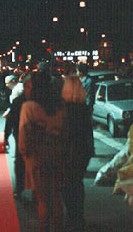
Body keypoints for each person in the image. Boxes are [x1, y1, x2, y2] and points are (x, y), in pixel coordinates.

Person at [18, 72, 65, 232]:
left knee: (42, 199)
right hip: (57, 153)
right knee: (57, 197)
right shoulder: (59, 105)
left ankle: (44, 228)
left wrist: (24, 154)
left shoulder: (29, 107)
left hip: (37, 156)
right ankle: (58, 227)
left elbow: (24, 135)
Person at [61, 75, 95, 232]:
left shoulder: (64, 110)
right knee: (78, 184)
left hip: (68, 151)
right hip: (83, 151)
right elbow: (88, 133)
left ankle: (71, 217)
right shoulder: (84, 109)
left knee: (67, 185)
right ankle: (78, 217)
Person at [4, 73, 30, 198]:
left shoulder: (18, 100)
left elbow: (10, 120)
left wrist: (5, 137)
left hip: (21, 134)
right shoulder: (43, 100)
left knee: (20, 162)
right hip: (38, 138)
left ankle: (19, 188)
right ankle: (35, 191)